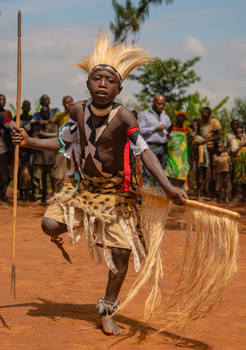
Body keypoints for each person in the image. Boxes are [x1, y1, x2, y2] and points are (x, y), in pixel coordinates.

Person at [12, 32, 187, 335]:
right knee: (50, 226)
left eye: (109, 80)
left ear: (119, 87)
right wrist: (29, 141)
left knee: (121, 253)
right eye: (97, 78)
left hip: (115, 194)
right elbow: (62, 142)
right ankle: (90, 224)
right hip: (83, 190)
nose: (103, 84)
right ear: (88, 83)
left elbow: (143, 150)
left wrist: (168, 187)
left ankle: (107, 308)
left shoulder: (124, 116)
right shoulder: (78, 110)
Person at [138, 94, 171, 186]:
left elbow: (169, 133)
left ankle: (158, 196)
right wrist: (156, 128)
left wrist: (169, 134)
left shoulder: (166, 117)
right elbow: (140, 130)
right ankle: (146, 195)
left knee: (161, 173)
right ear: (154, 102)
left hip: (163, 146)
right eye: (159, 104)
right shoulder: (145, 114)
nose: (161, 106)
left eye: (163, 104)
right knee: (147, 172)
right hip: (150, 146)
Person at [31, 106, 57, 203]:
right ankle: (39, 196)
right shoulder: (36, 126)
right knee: (37, 178)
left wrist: (44, 136)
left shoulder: (54, 124)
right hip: (38, 156)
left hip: (50, 156)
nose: (45, 113)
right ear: (40, 113)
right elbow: (34, 138)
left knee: (53, 178)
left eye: (47, 112)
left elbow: (57, 136)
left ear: (49, 112)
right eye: (43, 112)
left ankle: (54, 196)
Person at [196, 107, 221, 200]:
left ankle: (212, 195)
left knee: (211, 173)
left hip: (211, 150)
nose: (202, 115)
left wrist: (205, 140)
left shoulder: (215, 122)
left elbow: (219, 136)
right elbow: (197, 133)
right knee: (200, 172)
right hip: (201, 150)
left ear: (208, 113)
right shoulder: (200, 123)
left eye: (203, 113)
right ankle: (199, 195)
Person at [51, 95, 74, 193]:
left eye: (71, 102)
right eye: (67, 102)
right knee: (59, 174)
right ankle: (57, 195)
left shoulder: (77, 115)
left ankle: (72, 195)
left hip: (74, 147)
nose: (69, 104)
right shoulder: (60, 116)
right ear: (63, 104)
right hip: (62, 147)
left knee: (74, 173)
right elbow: (53, 121)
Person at [164, 111, 190, 191]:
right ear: (176, 117)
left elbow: (188, 139)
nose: (181, 118)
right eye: (179, 116)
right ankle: (169, 188)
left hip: (183, 154)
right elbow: (167, 134)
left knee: (183, 168)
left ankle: (181, 189)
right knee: (171, 167)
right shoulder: (172, 127)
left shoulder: (186, 129)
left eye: (183, 117)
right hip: (172, 153)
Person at [190, 119, 209, 201]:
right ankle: (198, 195)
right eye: (194, 126)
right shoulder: (192, 135)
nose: (196, 127)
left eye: (197, 126)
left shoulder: (203, 136)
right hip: (197, 159)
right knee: (199, 177)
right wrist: (194, 130)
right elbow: (193, 143)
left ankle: (200, 193)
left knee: (203, 177)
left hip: (204, 158)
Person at [230, 127, 246, 202]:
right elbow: (233, 152)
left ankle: (243, 197)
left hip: (244, 163)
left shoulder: (244, 138)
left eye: (241, 133)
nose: (240, 134)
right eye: (238, 133)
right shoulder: (233, 141)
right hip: (237, 163)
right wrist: (241, 145)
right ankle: (233, 197)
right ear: (235, 134)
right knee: (236, 180)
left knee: (244, 180)